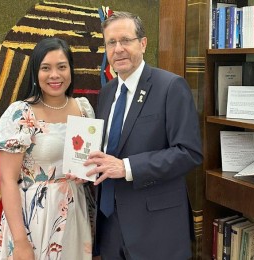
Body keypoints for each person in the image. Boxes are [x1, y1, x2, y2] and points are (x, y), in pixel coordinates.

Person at [85, 11, 203, 260]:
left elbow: (189, 153)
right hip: (110, 226)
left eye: (125, 40)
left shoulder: (171, 87)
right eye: (111, 43)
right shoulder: (106, 93)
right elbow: (109, 150)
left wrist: (127, 167)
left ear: (143, 43)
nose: (118, 49)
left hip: (156, 229)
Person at [0, 37, 95, 260]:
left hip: (75, 213)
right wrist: (20, 241)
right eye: (46, 68)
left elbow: (87, 163)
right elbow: (7, 179)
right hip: (33, 217)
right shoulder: (21, 113)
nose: (55, 75)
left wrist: (86, 174)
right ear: (36, 73)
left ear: (70, 70)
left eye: (62, 67)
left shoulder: (83, 109)